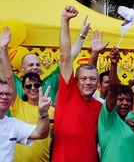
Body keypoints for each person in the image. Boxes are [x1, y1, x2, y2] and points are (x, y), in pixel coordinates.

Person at [0, 15, 92, 106]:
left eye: (37, 65)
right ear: (22, 68)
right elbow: (4, 70)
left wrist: (82, 35)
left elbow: (68, 58)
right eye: (31, 65)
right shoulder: (15, 83)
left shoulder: (50, 82)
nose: (35, 67)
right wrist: (2, 47)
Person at [52, 6, 102, 161]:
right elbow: (66, 56)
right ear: (74, 81)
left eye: (93, 79)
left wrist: (126, 121)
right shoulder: (68, 94)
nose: (88, 82)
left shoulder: (100, 106)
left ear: (98, 83)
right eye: (83, 78)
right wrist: (65, 20)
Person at [0, 26, 55, 161]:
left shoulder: (51, 110)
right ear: (23, 89)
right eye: (28, 85)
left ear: (41, 86)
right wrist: (3, 49)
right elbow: (9, 76)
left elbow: (54, 138)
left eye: (36, 84)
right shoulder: (17, 104)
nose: (33, 88)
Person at [98, 47, 134, 162]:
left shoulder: (129, 125)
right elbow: (113, 91)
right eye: (121, 99)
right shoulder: (108, 119)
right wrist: (114, 64)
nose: (125, 103)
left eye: (128, 100)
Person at [0, 80, 51, 161]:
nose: (4, 97)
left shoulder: (13, 124)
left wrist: (43, 113)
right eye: (0, 93)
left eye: (8, 94)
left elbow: (40, 133)